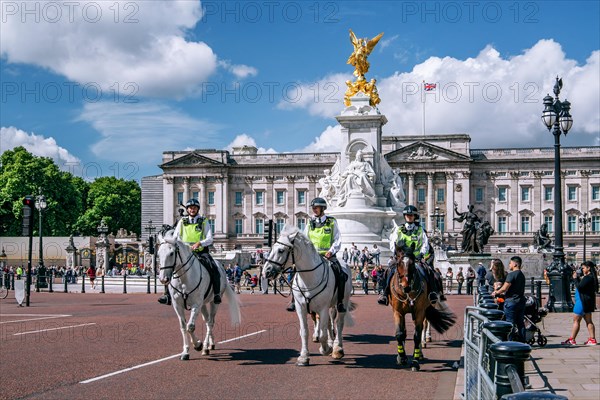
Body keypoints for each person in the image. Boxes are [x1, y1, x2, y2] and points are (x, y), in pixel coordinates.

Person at [287, 197, 347, 313]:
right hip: (312, 257)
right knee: (296, 273)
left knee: (340, 274)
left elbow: (337, 239)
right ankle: (294, 300)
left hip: (328, 255)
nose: (314, 210)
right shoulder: (310, 223)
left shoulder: (331, 222)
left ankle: (340, 302)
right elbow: (305, 239)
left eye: (316, 207)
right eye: (313, 208)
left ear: (322, 208)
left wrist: (331, 251)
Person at [158, 198, 222, 305]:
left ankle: (216, 293)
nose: (192, 210)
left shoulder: (203, 221)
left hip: (200, 252)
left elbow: (210, 238)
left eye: (194, 208)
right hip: (185, 252)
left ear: (197, 209)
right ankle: (167, 294)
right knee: (171, 266)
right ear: (187, 210)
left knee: (213, 267)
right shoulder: (182, 221)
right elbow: (176, 236)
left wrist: (200, 243)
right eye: (190, 208)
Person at [378, 205, 441, 306]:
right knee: (389, 271)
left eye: (411, 215)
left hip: (415, 259)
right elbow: (392, 243)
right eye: (407, 215)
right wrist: (397, 253)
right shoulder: (398, 230)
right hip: (401, 258)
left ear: (414, 217)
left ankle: (432, 293)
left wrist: (421, 254)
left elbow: (425, 244)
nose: (409, 217)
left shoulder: (420, 230)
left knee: (428, 271)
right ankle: (384, 294)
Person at [562, 261, 598, 345]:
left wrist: (574, 278)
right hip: (586, 302)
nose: (582, 269)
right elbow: (582, 285)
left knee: (576, 320)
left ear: (588, 268)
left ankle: (572, 339)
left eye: (583, 268)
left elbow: (580, 287)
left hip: (581, 302)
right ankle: (592, 339)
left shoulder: (588, 278)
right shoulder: (591, 277)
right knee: (589, 321)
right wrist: (578, 278)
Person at [492, 256, 526, 342]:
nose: (509, 265)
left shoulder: (511, 274)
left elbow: (505, 288)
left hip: (511, 302)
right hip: (520, 301)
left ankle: (509, 343)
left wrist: (496, 292)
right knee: (520, 324)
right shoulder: (521, 275)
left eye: (510, 263)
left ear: (515, 264)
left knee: (510, 324)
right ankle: (523, 342)